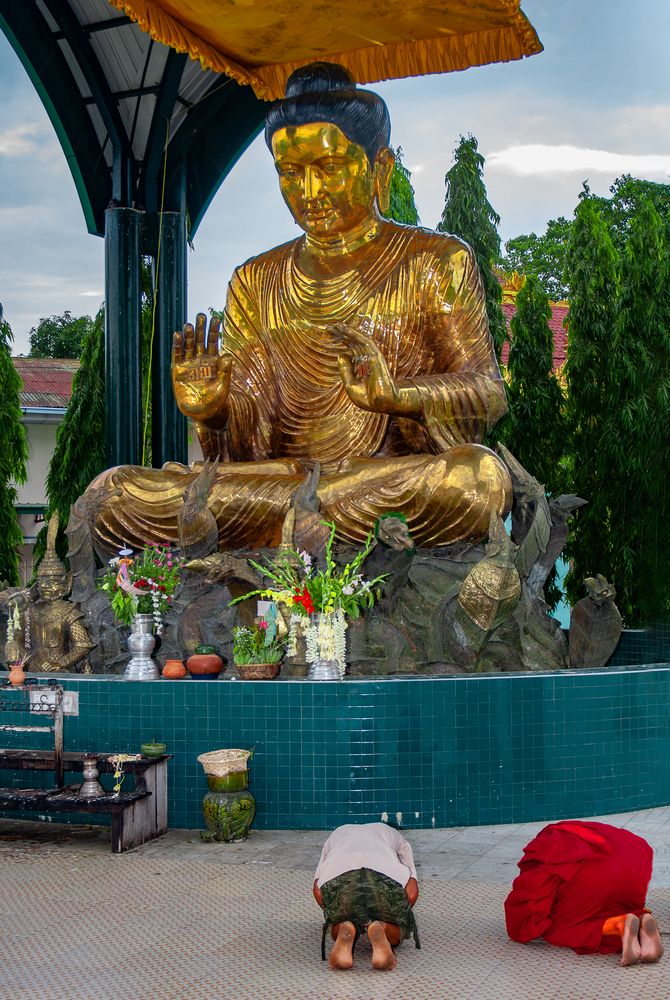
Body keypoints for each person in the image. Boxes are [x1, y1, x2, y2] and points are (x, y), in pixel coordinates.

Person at [88, 61, 511, 556]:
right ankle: (302, 523)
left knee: (477, 481)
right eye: (290, 173)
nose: (309, 194)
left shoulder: (434, 261)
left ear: (379, 168)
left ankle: (301, 523)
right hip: (276, 486)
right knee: (112, 495)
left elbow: (486, 392)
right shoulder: (256, 279)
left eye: (328, 169)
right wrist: (216, 410)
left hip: (374, 480)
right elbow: (251, 440)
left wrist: (399, 396)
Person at [504, 820, 664, 966]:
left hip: (594, 874)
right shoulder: (577, 831)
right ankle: (643, 920)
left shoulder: (549, 846)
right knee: (611, 907)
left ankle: (620, 924)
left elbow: (534, 897)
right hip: (634, 863)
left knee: (556, 929)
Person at [313, 822, 420, 971]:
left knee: (339, 920)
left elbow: (318, 887)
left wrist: (332, 914)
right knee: (398, 927)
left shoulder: (338, 832)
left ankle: (345, 926)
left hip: (341, 878)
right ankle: (382, 927)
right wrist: (399, 915)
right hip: (382, 876)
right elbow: (412, 888)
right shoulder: (391, 833)